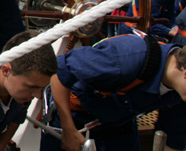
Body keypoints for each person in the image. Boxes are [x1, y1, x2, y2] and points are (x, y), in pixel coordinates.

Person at [39, 34, 186, 151]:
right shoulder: (124, 60)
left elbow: (174, 137)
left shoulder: (179, 95)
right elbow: (60, 72)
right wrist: (68, 129)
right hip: (72, 112)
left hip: (118, 120)